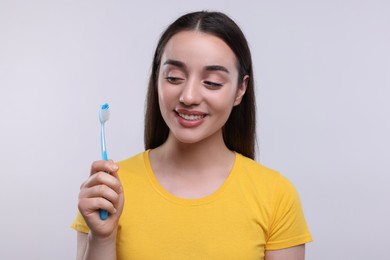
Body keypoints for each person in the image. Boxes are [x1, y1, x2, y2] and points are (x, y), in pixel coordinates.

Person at [72, 11, 312, 260]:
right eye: (174, 77)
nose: (188, 96)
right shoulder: (108, 191)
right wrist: (102, 238)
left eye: (212, 82)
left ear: (241, 89)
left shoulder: (276, 196)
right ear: (157, 79)